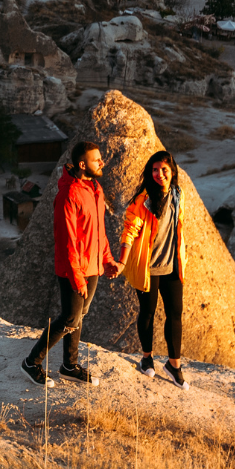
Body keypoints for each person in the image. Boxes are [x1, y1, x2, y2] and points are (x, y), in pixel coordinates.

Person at [21, 141, 119, 386]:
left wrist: (107, 259)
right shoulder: (68, 193)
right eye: (97, 160)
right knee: (69, 319)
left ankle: (69, 366)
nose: (102, 162)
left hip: (93, 266)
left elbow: (98, 230)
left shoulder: (95, 188)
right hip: (73, 268)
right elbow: (67, 241)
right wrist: (77, 278)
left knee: (79, 316)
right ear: (83, 164)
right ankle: (31, 362)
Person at [120, 150, 188, 387]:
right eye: (155, 170)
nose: (160, 174)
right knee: (147, 312)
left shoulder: (178, 195)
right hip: (147, 267)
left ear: (173, 171)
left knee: (175, 314)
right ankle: (147, 359)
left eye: (164, 169)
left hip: (171, 265)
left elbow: (178, 226)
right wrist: (122, 259)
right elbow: (130, 229)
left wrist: (182, 257)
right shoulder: (143, 199)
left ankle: (174, 365)